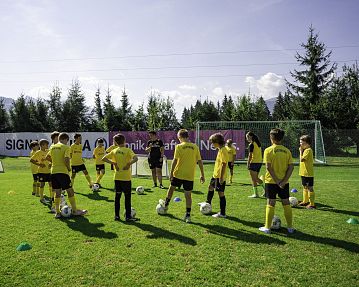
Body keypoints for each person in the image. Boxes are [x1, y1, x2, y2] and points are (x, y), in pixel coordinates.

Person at [160, 129, 205, 223]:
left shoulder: (179, 146)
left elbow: (175, 160)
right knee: (188, 196)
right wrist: (202, 174)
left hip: (178, 173)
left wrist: (171, 172)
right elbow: (200, 161)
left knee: (171, 188)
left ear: (180, 137)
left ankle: (166, 205)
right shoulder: (195, 147)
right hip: (189, 175)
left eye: (178, 138)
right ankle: (188, 215)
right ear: (187, 136)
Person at [259, 128, 294, 234]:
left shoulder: (268, 150)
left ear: (271, 138)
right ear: (282, 138)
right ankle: (290, 228)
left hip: (271, 181)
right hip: (284, 183)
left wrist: (277, 181)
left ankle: (267, 228)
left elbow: (268, 168)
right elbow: (291, 167)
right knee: (286, 203)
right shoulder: (287, 151)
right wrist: (283, 181)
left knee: (270, 202)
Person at [46, 133, 87, 218]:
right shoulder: (66, 147)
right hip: (62, 172)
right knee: (70, 191)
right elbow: (66, 159)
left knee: (57, 192)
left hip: (53, 172)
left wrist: (54, 162)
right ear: (66, 139)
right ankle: (75, 211)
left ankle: (57, 212)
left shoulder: (52, 147)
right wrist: (68, 168)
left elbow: (47, 157)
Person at [102, 133, 139, 222]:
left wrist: (113, 163)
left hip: (117, 177)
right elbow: (136, 158)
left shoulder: (114, 151)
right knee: (127, 198)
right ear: (125, 141)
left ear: (116, 142)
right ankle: (128, 217)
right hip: (126, 178)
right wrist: (128, 164)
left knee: (117, 197)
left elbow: (103, 158)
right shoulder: (127, 150)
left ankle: (117, 216)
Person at [204, 133, 229, 218]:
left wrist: (221, 177)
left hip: (219, 176)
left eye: (212, 143)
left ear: (217, 142)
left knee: (220, 193)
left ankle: (222, 213)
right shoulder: (220, 149)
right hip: (215, 175)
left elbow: (224, 164)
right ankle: (208, 204)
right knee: (210, 187)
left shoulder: (223, 150)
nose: (212, 145)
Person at [30, 139, 51, 204]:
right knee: (42, 184)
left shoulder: (48, 151)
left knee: (51, 184)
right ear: (42, 145)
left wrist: (51, 163)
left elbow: (51, 159)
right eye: (46, 144)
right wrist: (39, 164)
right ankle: (41, 198)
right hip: (41, 172)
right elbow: (31, 160)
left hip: (49, 171)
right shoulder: (38, 152)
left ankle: (51, 197)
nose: (47, 146)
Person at [298, 135, 315, 209]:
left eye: (302, 142)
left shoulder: (308, 150)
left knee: (310, 188)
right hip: (304, 172)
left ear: (307, 143)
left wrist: (301, 151)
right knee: (305, 187)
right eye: (300, 142)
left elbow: (302, 159)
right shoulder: (306, 150)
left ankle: (312, 204)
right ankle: (305, 201)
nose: (300, 144)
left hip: (308, 173)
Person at [246, 131, 264, 198]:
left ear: (250, 137)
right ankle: (266, 191)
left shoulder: (251, 144)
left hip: (253, 162)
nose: (246, 139)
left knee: (254, 179)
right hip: (259, 162)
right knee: (256, 178)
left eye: (247, 137)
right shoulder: (258, 143)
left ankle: (256, 194)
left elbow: (250, 156)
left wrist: (248, 163)